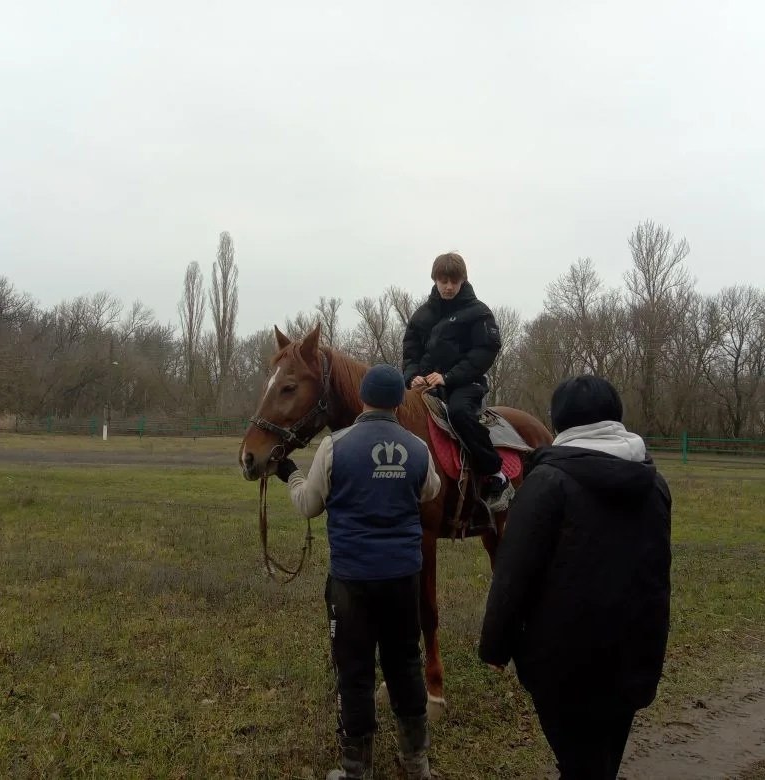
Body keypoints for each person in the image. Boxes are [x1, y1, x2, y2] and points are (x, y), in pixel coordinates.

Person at [478, 375, 672, 780]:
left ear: (560, 422)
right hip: (635, 652)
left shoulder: (547, 483)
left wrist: (495, 647)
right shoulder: (654, 484)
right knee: (600, 763)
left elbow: (514, 574)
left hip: (564, 662)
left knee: (578, 764)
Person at [275, 363, 441, 780]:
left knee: (354, 668)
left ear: (363, 398)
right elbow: (431, 490)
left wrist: (291, 475)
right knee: (405, 662)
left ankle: (355, 769)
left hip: (351, 581)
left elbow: (308, 505)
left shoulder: (335, 446)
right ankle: (416, 762)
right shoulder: (418, 447)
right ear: (399, 402)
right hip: (403, 578)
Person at [402, 251, 512, 512]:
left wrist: (449, 377)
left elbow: (485, 351)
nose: (448, 286)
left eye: (454, 280)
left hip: (465, 384)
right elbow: (410, 352)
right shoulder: (421, 316)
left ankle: (495, 473)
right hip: (425, 385)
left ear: (463, 280)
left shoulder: (478, 313)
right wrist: (412, 376)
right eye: (443, 280)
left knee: (461, 413)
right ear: (435, 280)